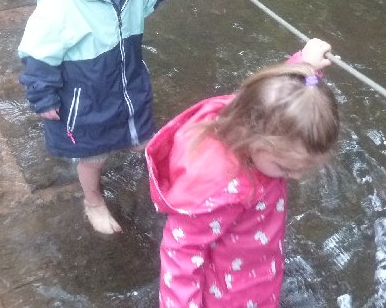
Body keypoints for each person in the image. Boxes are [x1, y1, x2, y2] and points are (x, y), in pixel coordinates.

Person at [18, 0, 222, 235]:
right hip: (86, 98)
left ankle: (160, 178)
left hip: (128, 86)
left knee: (143, 138)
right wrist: (43, 96)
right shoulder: (62, 1)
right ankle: (93, 200)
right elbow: (38, 54)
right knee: (93, 156)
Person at [145, 38, 340, 307]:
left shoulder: (253, 114)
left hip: (257, 264)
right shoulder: (220, 190)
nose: (295, 177)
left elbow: (276, 95)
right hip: (229, 292)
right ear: (252, 136)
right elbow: (181, 252)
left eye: (303, 168)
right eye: (285, 168)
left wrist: (303, 65)